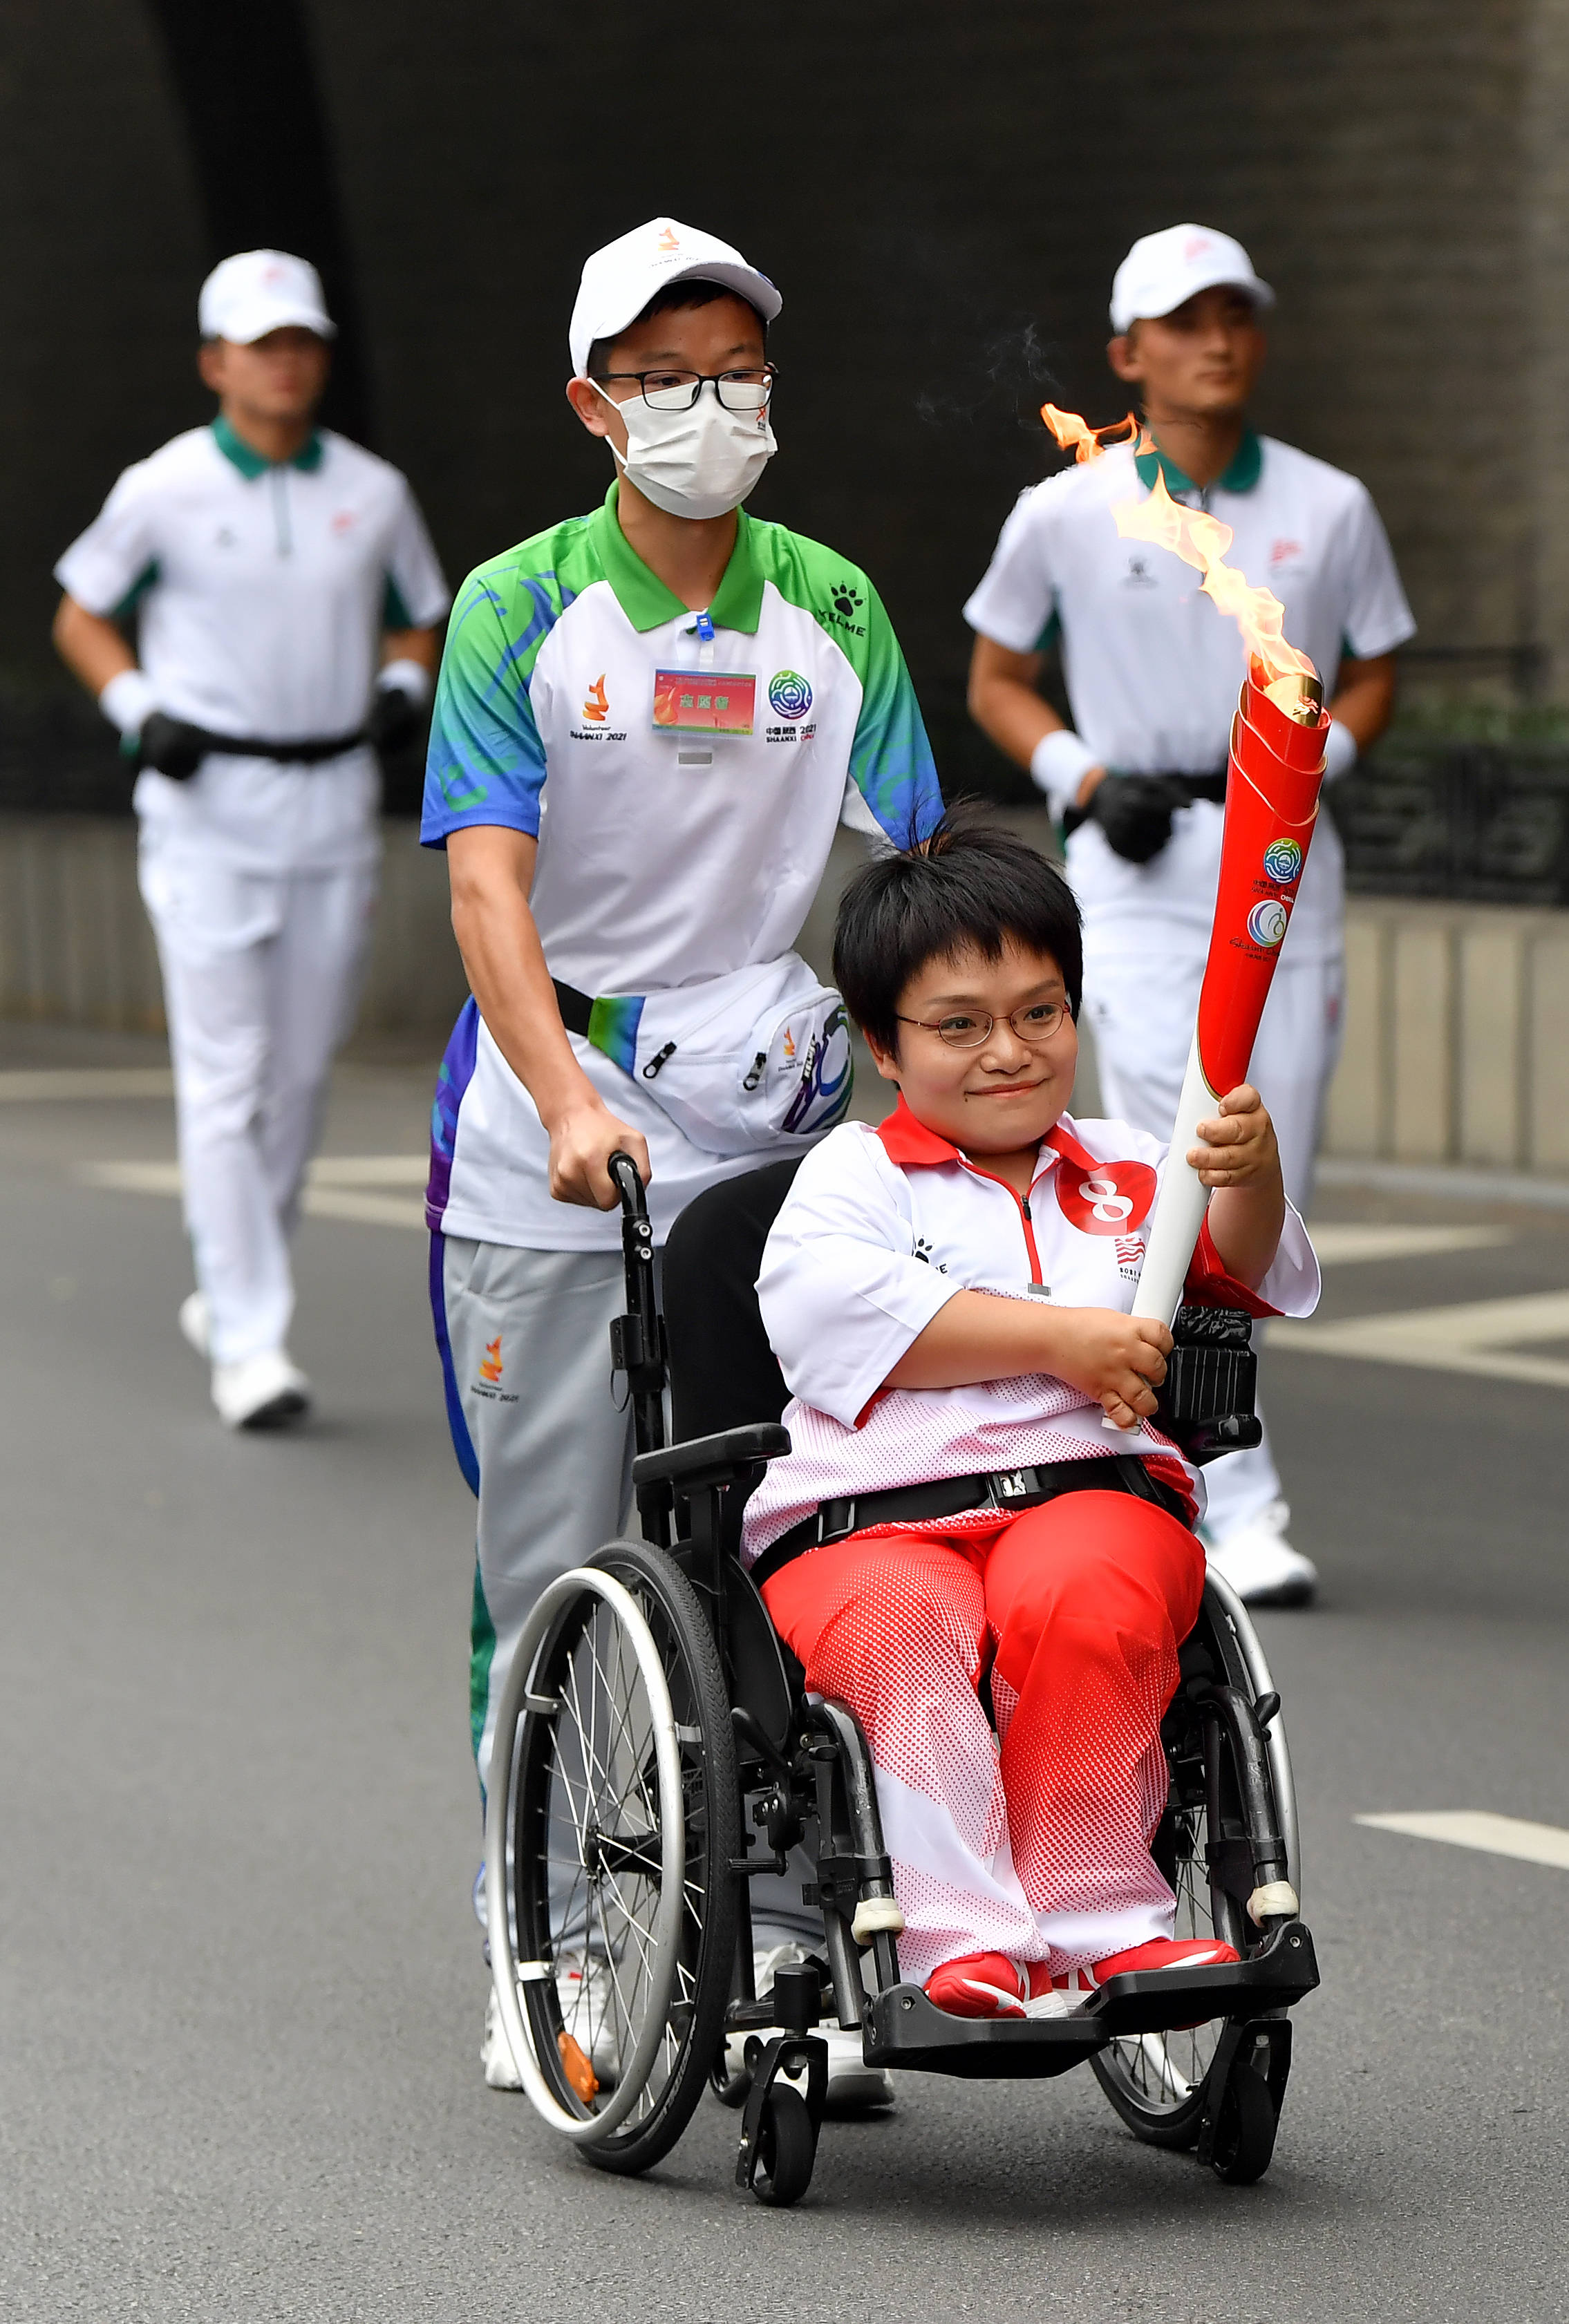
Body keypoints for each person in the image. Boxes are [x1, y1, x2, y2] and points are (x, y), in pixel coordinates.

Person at [420, 218, 942, 2088]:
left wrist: (932, 1104)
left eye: (736, 375)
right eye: (665, 380)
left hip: (776, 1113)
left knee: (781, 1528)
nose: (708, 408)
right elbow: (485, 874)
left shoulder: (841, 606)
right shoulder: (515, 606)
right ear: (593, 405)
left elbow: (903, 881)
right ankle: (544, 1931)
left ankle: (795, 1930)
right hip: (553, 1116)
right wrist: (565, 1094)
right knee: (554, 1547)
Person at [740, 816, 1318, 2012]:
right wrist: (1069, 1340)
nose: (1008, 1050)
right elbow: (839, 1313)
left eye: (1039, 1013)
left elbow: (1245, 1267)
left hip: (1084, 1496)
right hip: (868, 1525)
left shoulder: (1129, 1170)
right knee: (904, 1624)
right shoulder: (851, 1177)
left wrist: (1248, 1169)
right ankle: (959, 1943)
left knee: (1085, 1592)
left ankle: (1104, 1919)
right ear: (883, 1047)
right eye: (959, 1025)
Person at [965, 223, 1415, 1607]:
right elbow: (996, 676)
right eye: (1184, 320)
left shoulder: (1330, 506)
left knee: (1265, 1179)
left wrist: (1299, 771)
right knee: (1183, 1148)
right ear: (1125, 355)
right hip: (1140, 866)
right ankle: (1230, 1490)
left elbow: (1377, 668)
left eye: (1235, 316)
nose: (1215, 340)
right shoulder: (1069, 506)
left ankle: (1190, 1444)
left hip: (1278, 866)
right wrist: (1083, 778)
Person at [52, 249, 449, 1428]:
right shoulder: (161, 487)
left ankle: (232, 1290)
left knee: (299, 1073)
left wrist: (399, 691)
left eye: (301, 342)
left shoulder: (372, 492)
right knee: (225, 1076)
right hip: (206, 807)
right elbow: (81, 610)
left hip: (327, 805)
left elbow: (422, 617)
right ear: (216, 362)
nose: (285, 362)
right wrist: (139, 713)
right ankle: (252, 1339)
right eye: (261, 344)